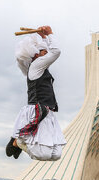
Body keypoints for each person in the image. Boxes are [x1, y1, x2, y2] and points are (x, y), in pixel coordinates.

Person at [6, 26, 66, 161]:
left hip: (47, 111)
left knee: (56, 154)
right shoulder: (36, 65)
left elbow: (51, 52)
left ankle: (21, 141)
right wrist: (50, 33)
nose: (47, 54)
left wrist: (43, 37)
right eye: (45, 52)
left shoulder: (39, 66)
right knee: (43, 154)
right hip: (37, 111)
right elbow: (56, 51)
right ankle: (18, 141)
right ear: (36, 54)